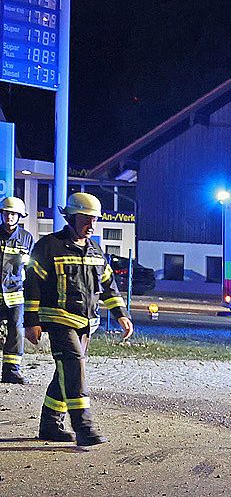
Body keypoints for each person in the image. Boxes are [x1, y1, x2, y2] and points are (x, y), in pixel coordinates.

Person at [23, 191, 133, 446]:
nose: (91, 225)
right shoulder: (49, 246)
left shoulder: (95, 250)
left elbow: (108, 286)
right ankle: (84, 428)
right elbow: (32, 286)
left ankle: (50, 424)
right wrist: (31, 322)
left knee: (65, 373)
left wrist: (121, 315)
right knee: (74, 369)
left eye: (94, 220)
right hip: (59, 320)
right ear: (71, 218)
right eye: (85, 219)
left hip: (86, 324)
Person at [0, 195, 34, 383]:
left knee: (17, 331)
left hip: (15, 294)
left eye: (13, 214)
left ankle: (11, 371)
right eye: (6, 213)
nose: (9, 217)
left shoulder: (26, 238)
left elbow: (31, 269)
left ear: (19, 216)